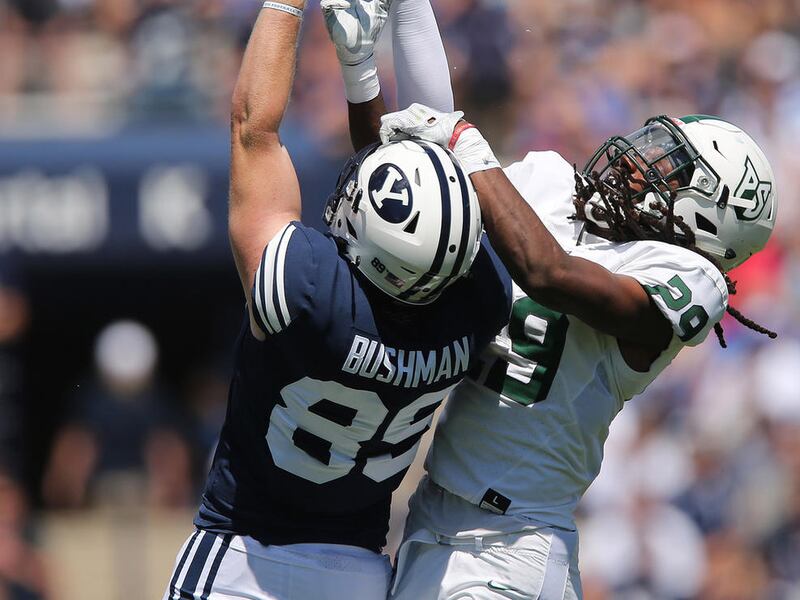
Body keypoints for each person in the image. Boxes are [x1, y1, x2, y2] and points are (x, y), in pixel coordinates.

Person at [322, 2, 778, 598]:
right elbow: (410, 186)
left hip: (511, 545)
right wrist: (376, 51)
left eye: (671, 171)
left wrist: (465, 140)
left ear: (708, 220)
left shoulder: (688, 278)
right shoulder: (551, 186)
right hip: (436, 519)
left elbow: (548, 273)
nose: (639, 165)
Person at [162, 2, 510, 599]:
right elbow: (440, 141)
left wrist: (286, 5)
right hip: (358, 572)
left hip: (244, 556)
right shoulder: (476, 305)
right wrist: (370, 60)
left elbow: (253, 127)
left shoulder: (308, 291)